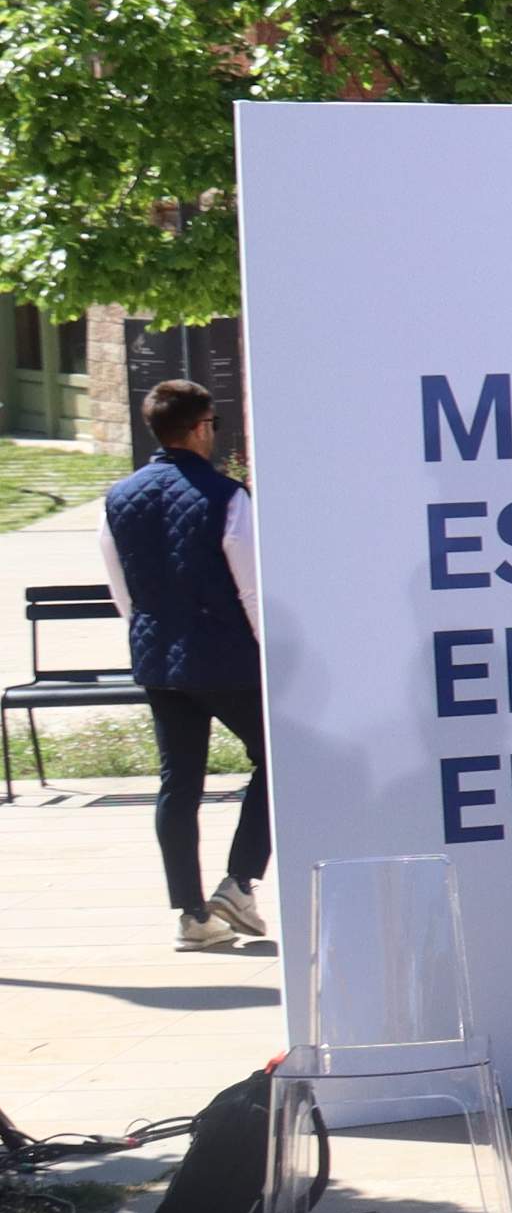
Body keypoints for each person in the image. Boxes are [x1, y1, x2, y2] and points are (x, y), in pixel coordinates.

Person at [96, 377, 266, 952]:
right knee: (278, 762)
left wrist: (149, 636)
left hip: (157, 658)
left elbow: (123, 590)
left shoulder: (117, 498)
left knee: (179, 783)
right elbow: (250, 590)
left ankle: (192, 915)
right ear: (199, 428)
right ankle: (239, 883)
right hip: (226, 657)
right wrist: (268, 648)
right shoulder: (226, 497)